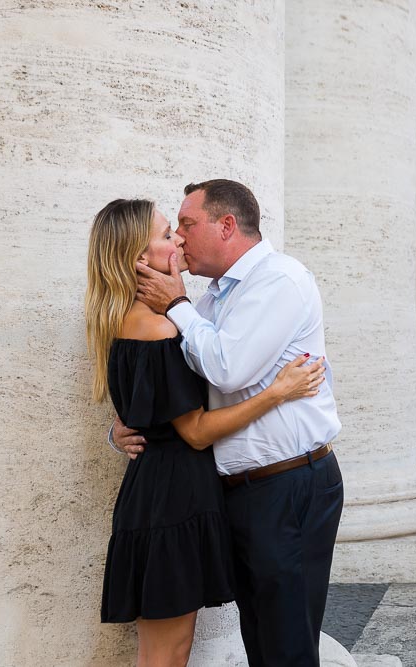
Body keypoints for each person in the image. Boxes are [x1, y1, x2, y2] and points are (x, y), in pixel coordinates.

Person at [87, 198, 326, 666]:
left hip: (174, 495)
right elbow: (195, 430)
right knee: (168, 653)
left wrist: (121, 433)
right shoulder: (158, 326)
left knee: (176, 649)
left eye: (181, 226)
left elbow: (155, 407)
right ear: (139, 258)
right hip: (172, 500)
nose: (177, 237)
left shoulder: (159, 315)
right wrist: (278, 391)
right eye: (165, 233)